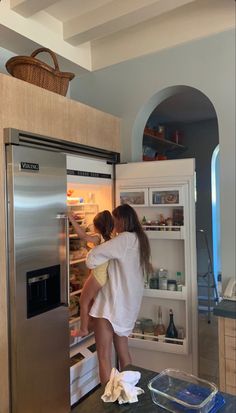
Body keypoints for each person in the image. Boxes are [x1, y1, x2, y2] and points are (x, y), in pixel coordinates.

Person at [86, 203, 151, 384]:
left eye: (115, 220)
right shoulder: (140, 239)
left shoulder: (123, 240)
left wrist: (97, 250)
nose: (113, 224)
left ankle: (108, 401)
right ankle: (128, 391)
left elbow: (91, 259)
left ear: (121, 220)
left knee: (104, 356)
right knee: (123, 353)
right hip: (127, 308)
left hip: (109, 307)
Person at [68, 210, 114, 337]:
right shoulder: (111, 238)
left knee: (83, 300)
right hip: (103, 276)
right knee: (93, 301)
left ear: (98, 226)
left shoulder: (99, 238)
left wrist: (71, 218)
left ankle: (83, 329)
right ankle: (91, 324)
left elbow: (82, 236)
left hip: (97, 276)